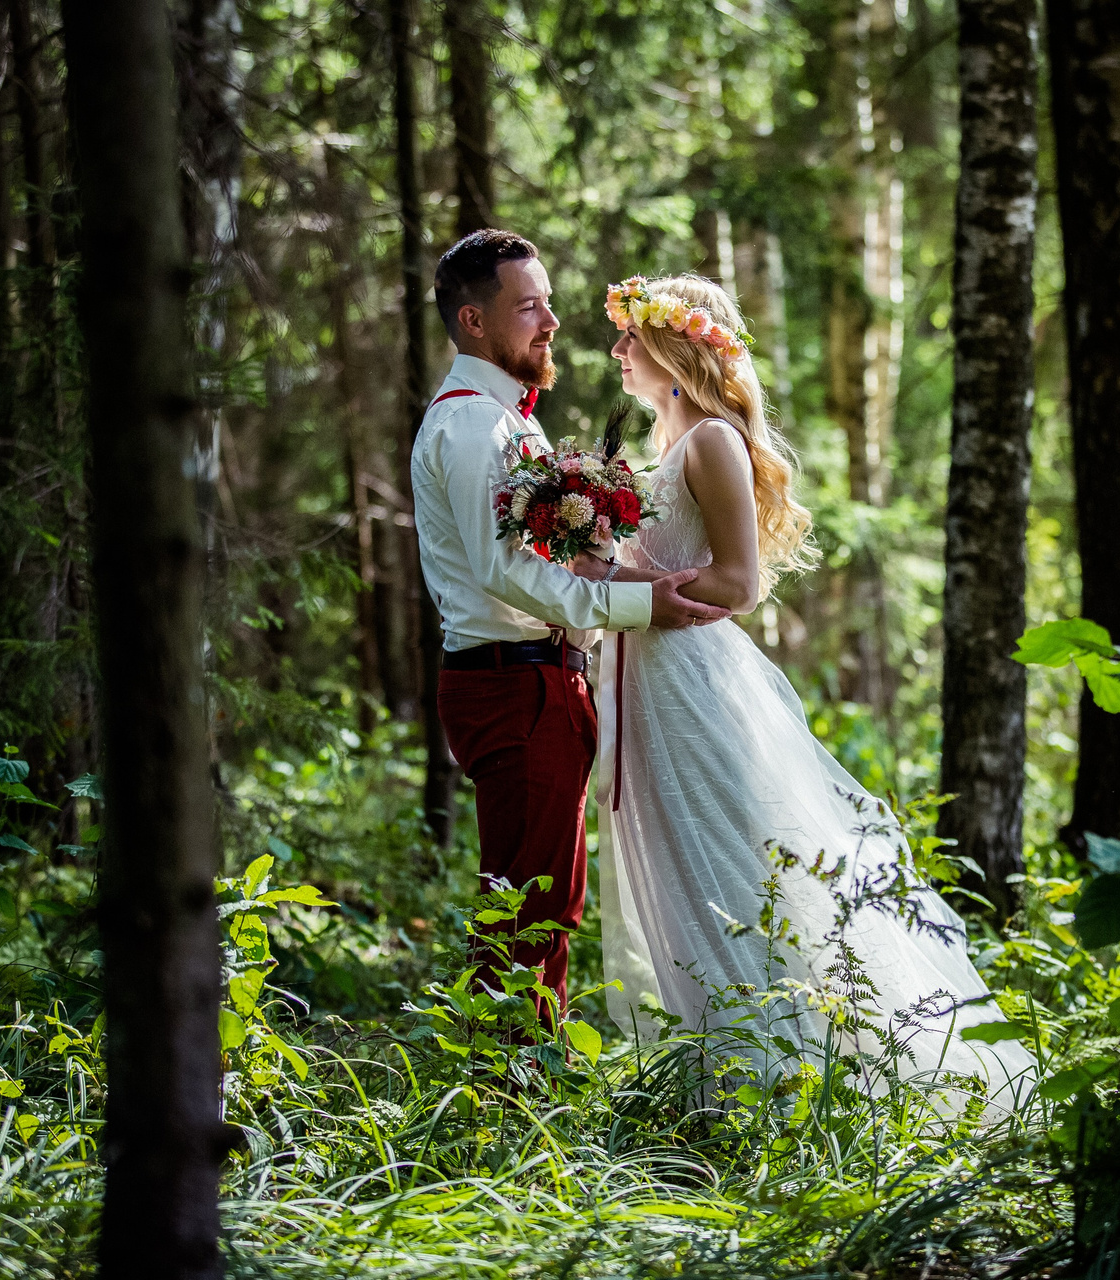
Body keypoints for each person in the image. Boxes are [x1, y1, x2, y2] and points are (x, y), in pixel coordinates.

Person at [574, 273, 1035, 1113]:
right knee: (674, 861)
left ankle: (784, 1077)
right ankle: (719, 1077)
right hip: (645, 681)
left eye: (630, 338)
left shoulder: (712, 442)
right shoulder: (661, 446)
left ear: (674, 348)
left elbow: (738, 584)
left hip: (691, 680)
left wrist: (617, 580)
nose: (617, 352)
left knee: (728, 862)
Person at [409, 232, 729, 1018]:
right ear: (473, 321)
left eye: (547, 301)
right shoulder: (471, 426)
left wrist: (620, 573)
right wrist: (641, 605)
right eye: (529, 306)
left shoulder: (505, 421)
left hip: (539, 682)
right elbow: (505, 573)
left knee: (545, 903)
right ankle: (510, 1076)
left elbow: (556, 562)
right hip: (512, 685)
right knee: (527, 909)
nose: (551, 321)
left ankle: (522, 1066)